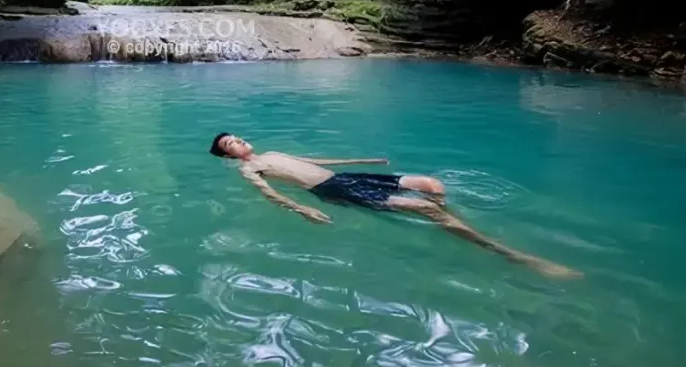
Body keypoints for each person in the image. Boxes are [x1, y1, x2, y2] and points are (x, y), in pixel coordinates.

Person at [210, 132, 580, 279]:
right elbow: (271, 194)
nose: (239, 143)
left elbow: (317, 161)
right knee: (426, 209)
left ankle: (453, 223)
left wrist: (362, 161)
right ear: (230, 158)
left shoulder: (272, 152)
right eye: (231, 145)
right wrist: (302, 209)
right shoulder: (251, 169)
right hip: (335, 192)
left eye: (237, 138)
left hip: (348, 178)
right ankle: (509, 253)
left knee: (432, 186)